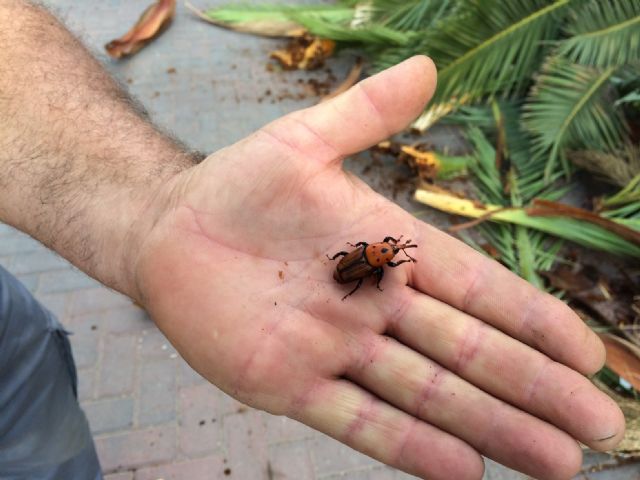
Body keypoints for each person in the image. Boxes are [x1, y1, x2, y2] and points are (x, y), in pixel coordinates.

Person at [0, 1, 626, 479]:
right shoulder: (373, 261)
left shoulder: (375, 259)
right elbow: (368, 266)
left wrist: (150, 208)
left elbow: (371, 265)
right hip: (349, 270)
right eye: (389, 254)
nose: (392, 255)